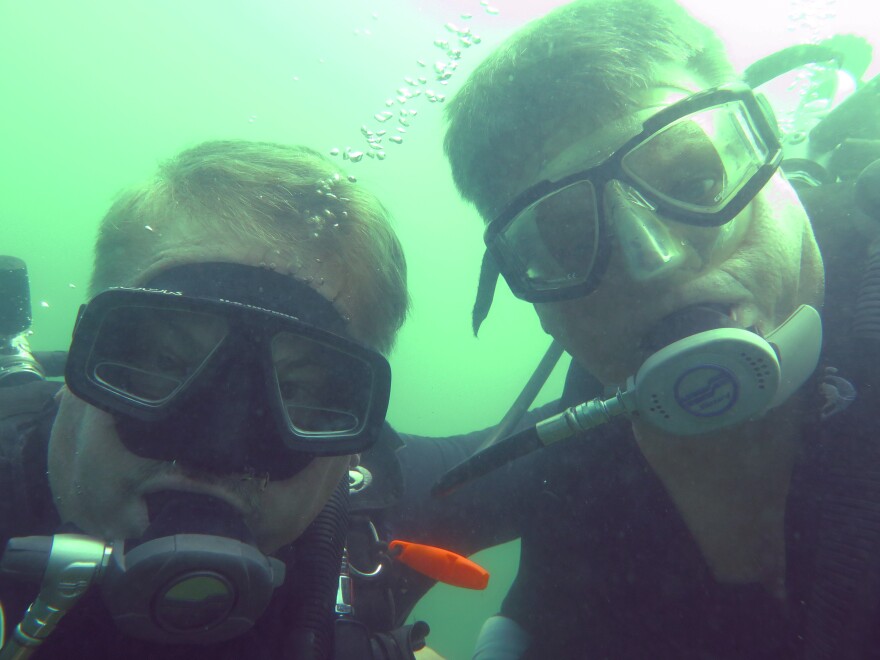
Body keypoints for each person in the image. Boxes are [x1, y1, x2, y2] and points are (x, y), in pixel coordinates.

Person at [389, 0, 880, 657]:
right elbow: (383, 481)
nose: (656, 260)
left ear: (766, 148)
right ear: (534, 295)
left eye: (694, 177)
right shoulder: (582, 458)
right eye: (569, 236)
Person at [0, 139, 428, 658]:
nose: (215, 449)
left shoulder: (372, 528)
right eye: (164, 363)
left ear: (351, 451)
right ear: (79, 360)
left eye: (293, 390)